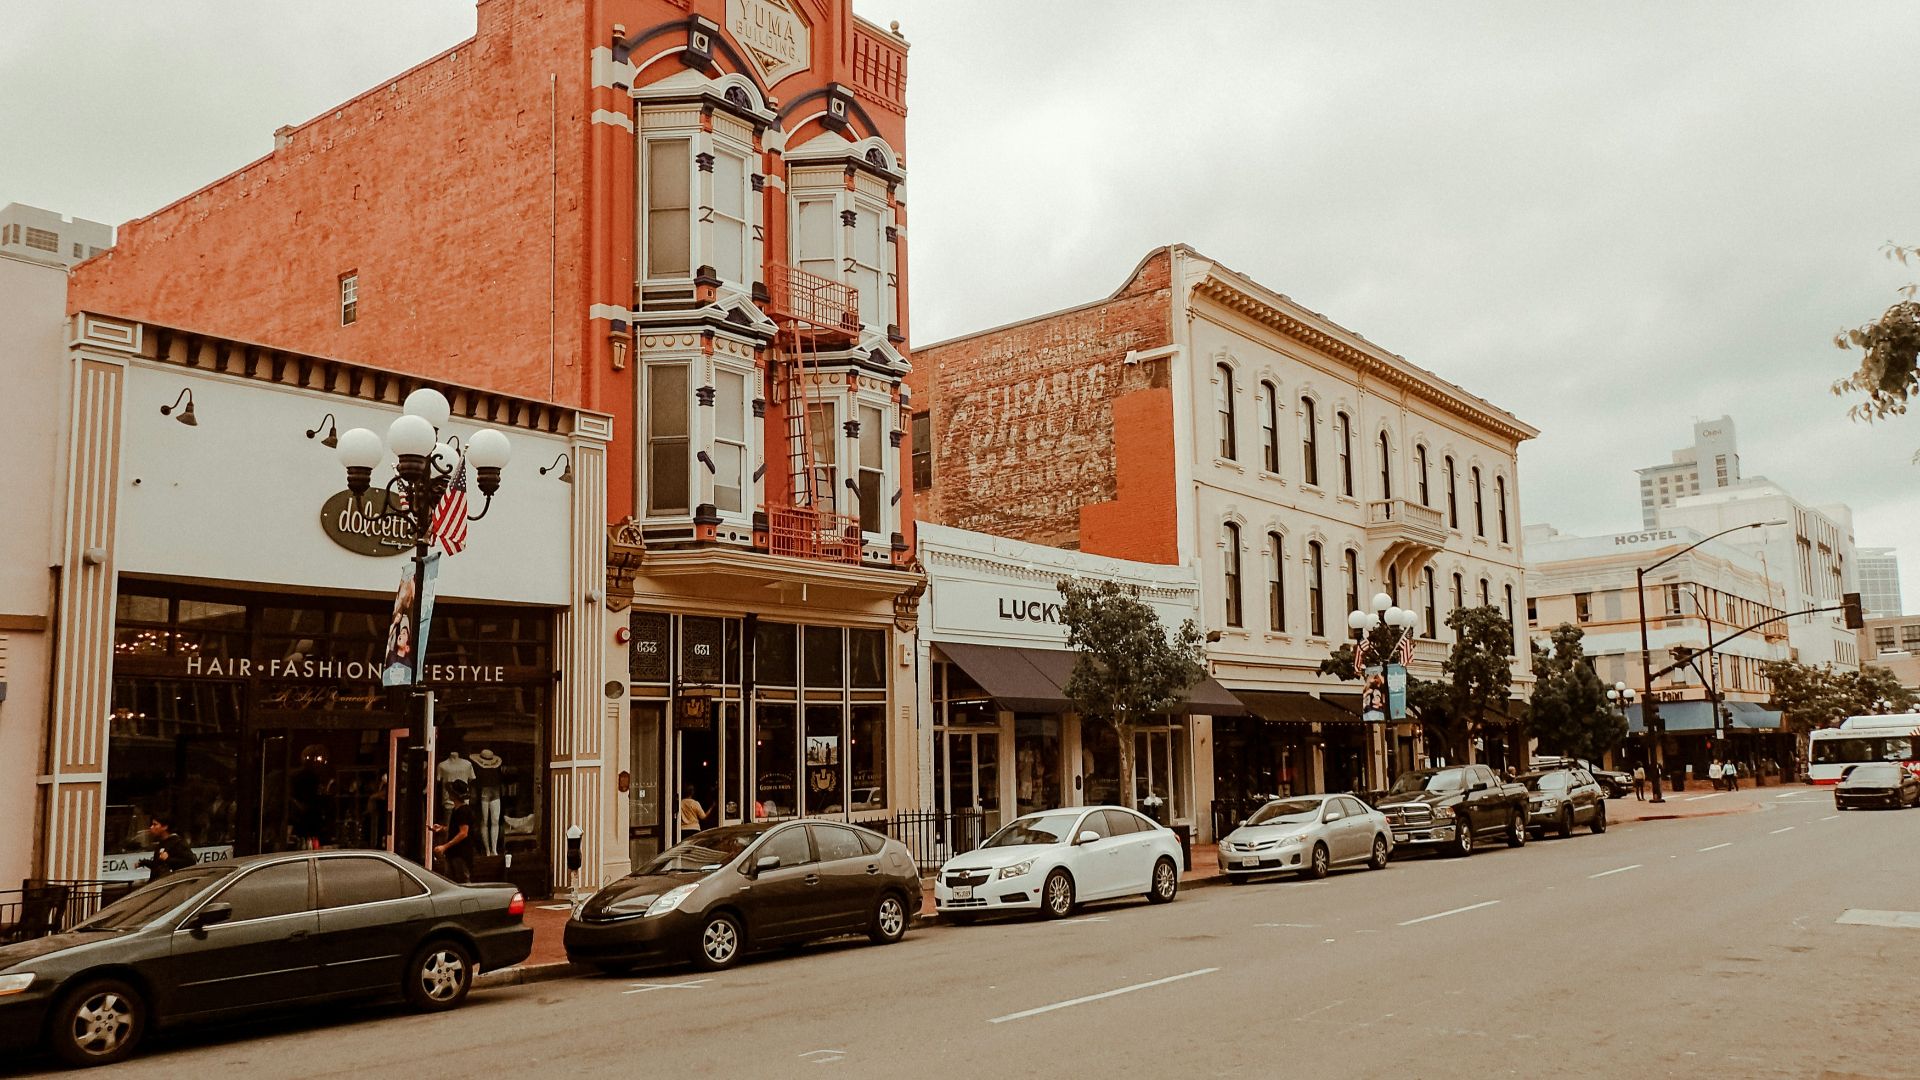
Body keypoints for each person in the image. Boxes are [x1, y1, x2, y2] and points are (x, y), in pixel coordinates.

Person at [431, 780, 475, 883]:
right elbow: (457, 829)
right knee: (450, 881)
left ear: (454, 795)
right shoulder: (456, 810)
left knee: (462, 882)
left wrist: (444, 846)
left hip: (461, 854)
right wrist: (442, 828)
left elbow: (463, 833)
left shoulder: (463, 811)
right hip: (453, 854)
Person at [140, 813, 196, 883]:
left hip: (170, 884)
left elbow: (190, 861)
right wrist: (143, 862)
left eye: (155, 824)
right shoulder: (162, 842)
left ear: (165, 827)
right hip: (157, 883)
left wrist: (168, 859)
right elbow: (158, 865)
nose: (151, 827)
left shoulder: (177, 843)